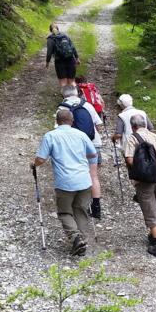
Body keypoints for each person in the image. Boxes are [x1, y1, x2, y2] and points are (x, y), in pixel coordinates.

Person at [33, 110, 98, 256]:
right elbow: (93, 153)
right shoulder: (81, 135)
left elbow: (41, 159)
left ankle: (76, 239)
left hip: (65, 182)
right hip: (84, 180)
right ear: (72, 120)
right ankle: (82, 239)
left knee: (64, 212)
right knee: (80, 210)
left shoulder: (50, 136)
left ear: (57, 120)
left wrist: (34, 164)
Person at [124, 115, 156, 259]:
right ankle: (152, 236)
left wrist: (142, 169)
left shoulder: (132, 138)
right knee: (154, 207)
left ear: (133, 127)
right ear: (145, 124)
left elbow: (129, 159)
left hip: (145, 181)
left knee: (150, 212)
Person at [56, 85, 105, 219]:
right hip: (93, 144)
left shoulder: (62, 108)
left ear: (63, 95)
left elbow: (58, 131)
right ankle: (96, 208)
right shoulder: (87, 105)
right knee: (93, 176)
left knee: (77, 173)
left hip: (75, 148)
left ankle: (80, 204)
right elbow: (98, 125)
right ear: (77, 93)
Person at [46, 23, 80, 88]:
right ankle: (74, 96)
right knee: (72, 81)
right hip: (70, 59)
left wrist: (47, 62)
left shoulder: (50, 39)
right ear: (58, 29)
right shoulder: (65, 36)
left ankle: (66, 97)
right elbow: (72, 47)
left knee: (63, 82)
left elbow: (49, 52)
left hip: (59, 61)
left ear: (50, 30)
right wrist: (77, 58)